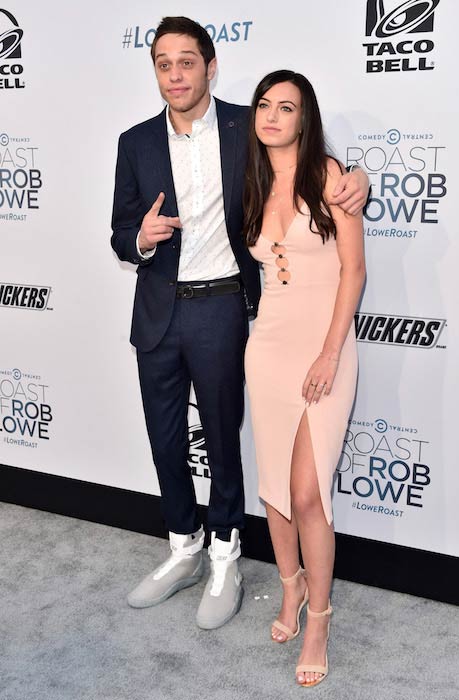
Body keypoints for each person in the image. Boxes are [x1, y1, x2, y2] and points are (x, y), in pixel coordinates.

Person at [111, 17, 369, 631]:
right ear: (155, 71)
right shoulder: (135, 141)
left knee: (224, 441)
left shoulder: (243, 128)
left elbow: (303, 165)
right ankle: (183, 547)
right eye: (164, 64)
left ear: (210, 66)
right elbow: (120, 231)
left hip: (224, 308)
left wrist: (357, 176)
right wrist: (138, 239)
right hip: (157, 311)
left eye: (187, 63)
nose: (176, 75)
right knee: (166, 437)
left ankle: (226, 553)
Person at [244, 70, 366, 685]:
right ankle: (289, 589)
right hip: (266, 346)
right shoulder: (253, 179)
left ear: (304, 117)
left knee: (307, 493)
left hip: (325, 349)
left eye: (285, 107)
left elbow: (353, 274)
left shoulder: (331, 177)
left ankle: (319, 616)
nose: (271, 116)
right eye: (264, 105)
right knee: (272, 486)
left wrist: (328, 354)